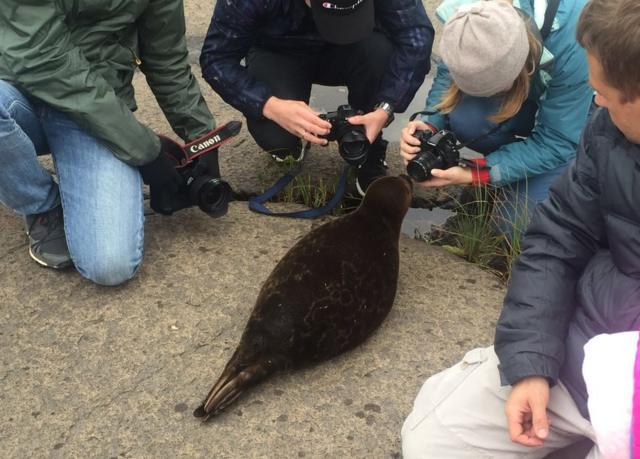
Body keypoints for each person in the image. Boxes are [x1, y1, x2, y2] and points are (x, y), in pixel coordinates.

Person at [401, 0, 640, 456]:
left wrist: (479, 174)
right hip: (578, 352)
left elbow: (558, 141)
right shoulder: (607, 126)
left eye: (605, 91)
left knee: (516, 217)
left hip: (625, 382)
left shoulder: (573, 66)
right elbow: (559, 236)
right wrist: (531, 363)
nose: (596, 102)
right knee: (428, 442)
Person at [0, 0, 217, 286]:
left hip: (97, 107)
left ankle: (80, 173)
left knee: (110, 265)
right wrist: (144, 150)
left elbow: (166, 60)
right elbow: (41, 58)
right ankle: (41, 205)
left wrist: (202, 138)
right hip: (20, 88)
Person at [199, 0, 434, 196]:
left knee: (382, 55)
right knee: (277, 137)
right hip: (278, 51)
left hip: (356, 46)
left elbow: (416, 38)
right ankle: (287, 142)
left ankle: (368, 144)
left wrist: (385, 108)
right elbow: (216, 59)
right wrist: (270, 105)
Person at [400, 0, 593, 231]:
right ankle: (511, 168)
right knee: (466, 119)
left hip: (579, 112)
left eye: (491, 90)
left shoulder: (573, 39)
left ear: (522, 67)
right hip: (530, 86)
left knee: (514, 227)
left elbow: (557, 139)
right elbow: (447, 75)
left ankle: (562, 173)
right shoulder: (470, 14)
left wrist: (479, 172)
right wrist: (429, 128)